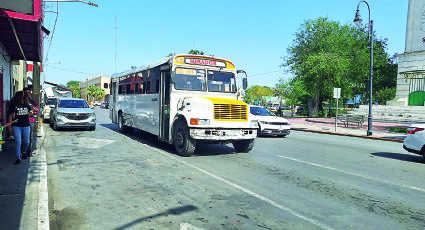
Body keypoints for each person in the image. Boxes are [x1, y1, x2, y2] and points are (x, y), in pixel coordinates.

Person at [8, 91, 35, 165]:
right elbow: (10, 116)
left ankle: (23, 151)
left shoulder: (27, 105)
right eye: (25, 96)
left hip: (26, 126)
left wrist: (32, 112)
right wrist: (9, 127)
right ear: (20, 97)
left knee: (26, 142)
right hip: (16, 126)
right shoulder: (14, 105)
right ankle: (18, 157)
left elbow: (28, 114)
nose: (26, 98)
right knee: (18, 142)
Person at [23, 87, 39, 156]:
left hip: (30, 121)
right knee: (22, 137)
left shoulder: (33, 102)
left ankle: (28, 151)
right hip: (21, 121)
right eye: (26, 93)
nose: (27, 94)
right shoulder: (21, 101)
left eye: (29, 92)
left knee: (29, 137)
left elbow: (37, 109)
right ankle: (23, 151)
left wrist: (34, 111)